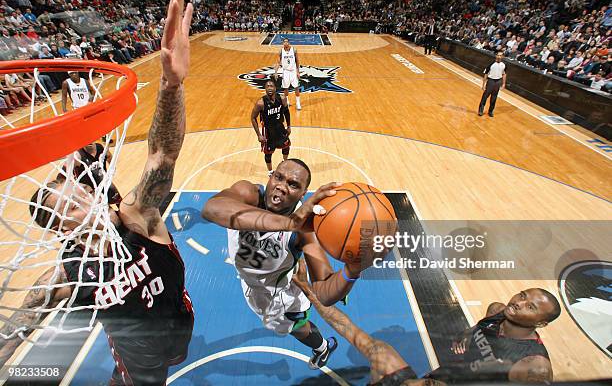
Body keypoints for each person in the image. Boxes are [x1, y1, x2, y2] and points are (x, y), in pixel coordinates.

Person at [0, 0, 195, 384]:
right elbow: (19, 323)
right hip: (135, 361)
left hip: (179, 320)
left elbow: (163, 155)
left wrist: (170, 85)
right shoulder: (70, 270)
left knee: (177, 352)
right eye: (71, 207)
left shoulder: (135, 217)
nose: (88, 203)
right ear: (60, 228)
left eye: (84, 193)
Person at [201, 160, 366, 369]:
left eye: (293, 184)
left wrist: (353, 270)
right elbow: (211, 208)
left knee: (296, 327)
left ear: (303, 194)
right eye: (278, 177)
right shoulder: (248, 193)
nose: (281, 186)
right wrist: (289, 223)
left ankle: (323, 347)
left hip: (276, 294)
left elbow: (325, 293)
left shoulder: (304, 232)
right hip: (250, 281)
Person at [292, 260, 560, 384]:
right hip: (437, 379)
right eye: (523, 295)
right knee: (377, 348)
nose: (519, 303)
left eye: (531, 307)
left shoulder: (533, 365)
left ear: (541, 324)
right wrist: (311, 293)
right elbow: (349, 330)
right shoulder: (497, 312)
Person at [251, 79, 291, 176]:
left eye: (271, 86)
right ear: (265, 89)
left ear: (275, 88)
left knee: (286, 146)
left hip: (280, 127)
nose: (269, 88)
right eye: (267, 86)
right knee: (268, 153)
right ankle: (270, 172)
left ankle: (285, 164)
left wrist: (289, 126)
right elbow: (253, 118)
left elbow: (286, 112)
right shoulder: (261, 103)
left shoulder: (282, 98)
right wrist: (259, 135)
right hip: (268, 130)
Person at [273, 38, 302, 110]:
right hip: (285, 71)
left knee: (296, 87)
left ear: (289, 43)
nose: (285, 43)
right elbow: (278, 62)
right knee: (286, 88)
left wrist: (298, 71)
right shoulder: (281, 51)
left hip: (293, 71)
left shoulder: (294, 50)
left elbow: (297, 61)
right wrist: (275, 72)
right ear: (283, 43)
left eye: (287, 42)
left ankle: (298, 103)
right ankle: (287, 102)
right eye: (284, 42)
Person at [478, 52, 506, 117]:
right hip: (491, 81)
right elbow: (486, 74)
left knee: (494, 97)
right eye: (498, 55)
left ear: (502, 57)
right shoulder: (491, 64)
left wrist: (503, 83)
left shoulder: (504, 65)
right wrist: (483, 85)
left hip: (498, 82)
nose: (499, 56)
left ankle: (490, 111)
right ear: (496, 56)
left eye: (500, 55)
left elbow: (504, 74)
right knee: (485, 96)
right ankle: (480, 110)